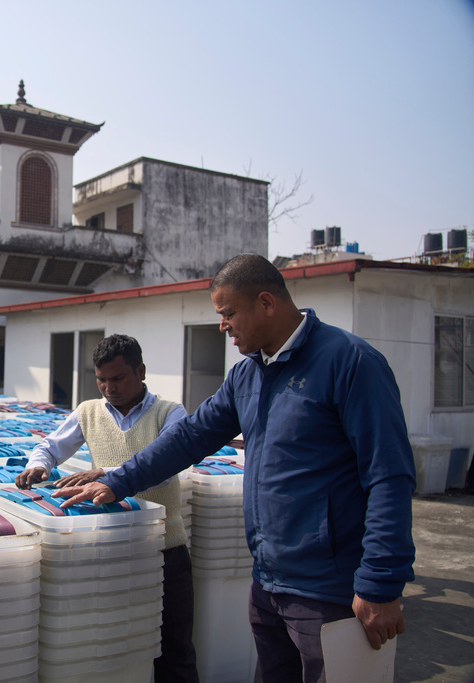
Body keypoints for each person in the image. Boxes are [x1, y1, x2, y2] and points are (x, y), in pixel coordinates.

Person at [55, 254, 416, 683]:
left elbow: (388, 477)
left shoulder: (349, 363)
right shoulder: (247, 376)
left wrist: (379, 584)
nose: (223, 326)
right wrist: (118, 481)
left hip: (327, 589)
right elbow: (188, 437)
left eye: (228, 313)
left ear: (266, 303)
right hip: (266, 583)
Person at [15, 334, 198, 683]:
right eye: (101, 379)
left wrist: (109, 475)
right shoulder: (89, 411)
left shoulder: (169, 413)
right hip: (112, 547)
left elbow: (167, 466)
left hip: (165, 549)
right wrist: (39, 465)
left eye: (118, 378)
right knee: (121, 647)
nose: (108, 388)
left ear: (140, 371)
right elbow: (51, 446)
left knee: (175, 650)